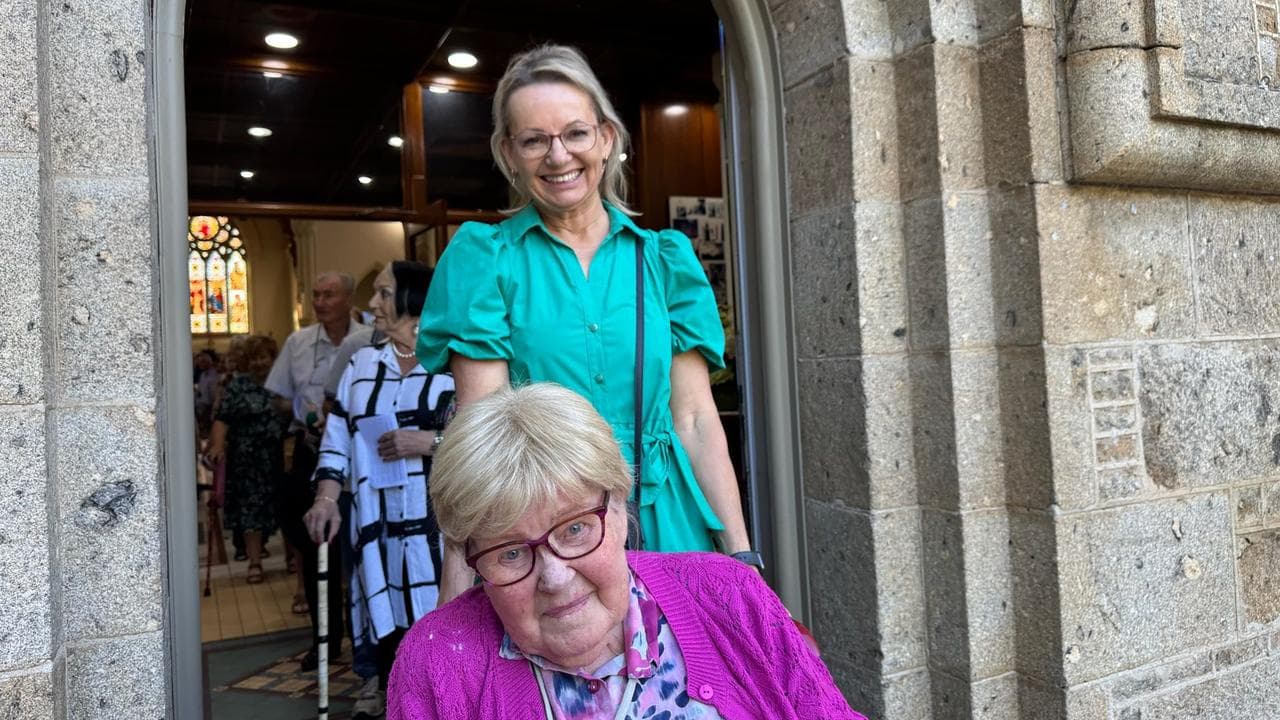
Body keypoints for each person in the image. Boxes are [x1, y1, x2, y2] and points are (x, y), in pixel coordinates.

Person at [417, 44, 757, 607]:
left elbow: (695, 420)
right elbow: (483, 433)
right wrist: (458, 583)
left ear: (606, 138)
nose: (558, 156)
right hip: (548, 529)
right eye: (534, 140)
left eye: (575, 133)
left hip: (664, 519)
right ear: (509, 152)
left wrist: (741, 558)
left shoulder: (663, 260)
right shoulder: (487, 260)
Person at [386, 383, 864, 720]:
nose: (555, 577)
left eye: (574, 529)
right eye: (510, 554)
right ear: (473, 560)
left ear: (618, 507)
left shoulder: (728, 594)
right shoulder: (439, 660)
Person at [305, 262, 454, 718]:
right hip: (378, 524)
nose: (372, 304)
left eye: (384, 293)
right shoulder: (363, 364)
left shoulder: (454, 359)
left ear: (413, 298)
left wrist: (429, 442)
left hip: (440, 529)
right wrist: (326, 498)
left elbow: (488, 435)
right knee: (388, 630)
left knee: (443, 629)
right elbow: (336, 440)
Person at [265, 271, 367, 670]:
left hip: (360, 458)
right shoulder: (298, 342)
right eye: (316, 295)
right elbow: (278, 399)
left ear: (348, 298)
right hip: (312, 452)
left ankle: (368, 645)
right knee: (315, 549)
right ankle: (324, 639)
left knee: (358, 549)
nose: (320, 302)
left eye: (329, 294)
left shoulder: (369, 339)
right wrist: (305, 416)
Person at [203, 335, 285, 584]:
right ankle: (254, 562)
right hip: (246, 459)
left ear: (273, 358)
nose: (260, 363)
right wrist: (217, 445)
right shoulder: (238, 386)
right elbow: (223, 417)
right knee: (250, 511)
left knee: (284, 507)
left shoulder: (283, 382)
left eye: (264, 357)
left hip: (279, 456)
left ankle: (292, 559)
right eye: (254, 358)